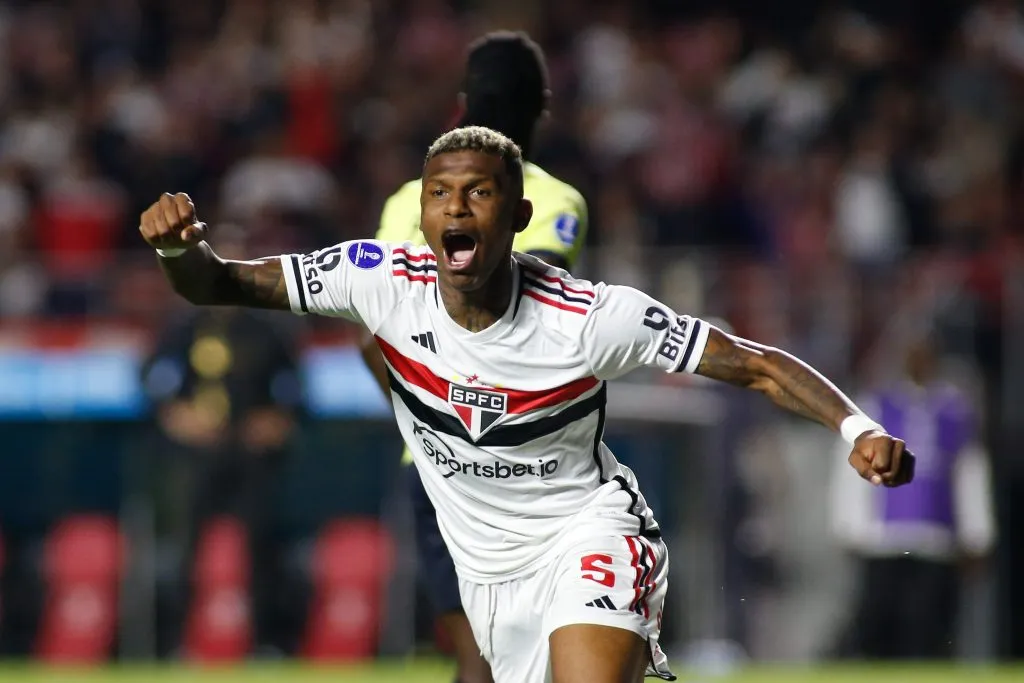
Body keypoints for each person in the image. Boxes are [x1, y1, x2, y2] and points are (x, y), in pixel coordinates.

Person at [138, 126, 914, 683]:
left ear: (516, 216)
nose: (456, 208)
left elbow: (752, 363)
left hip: (589, 535)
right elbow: (223, 283)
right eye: (440, 194)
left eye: (479, 193)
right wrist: (181, 249)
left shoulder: (589, 316)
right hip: (488, 576)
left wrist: (857, 425)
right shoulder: (381, 280)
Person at [365, 30, 587, 683]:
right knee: (525, 655)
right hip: (519, 462)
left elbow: (368, 332)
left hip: (430, 463)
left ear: (462, 103)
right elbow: (534, 313)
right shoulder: (549, 199)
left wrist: (424, 418)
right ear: (542, 108)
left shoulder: (411, 200)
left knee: (480, 657)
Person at [142, 228, 302, 657]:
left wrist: (277, 419)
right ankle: (176, 644)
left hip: (251, 453)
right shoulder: (185, 324)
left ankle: (268, 643)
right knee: (185, 549)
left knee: (262, 548)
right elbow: (150, 380)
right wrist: (174, 415)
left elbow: (297, 388)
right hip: (196, 454)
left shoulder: (267, 326)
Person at [831, 331, 994, 660]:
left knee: (928, 628)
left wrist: (977, 535)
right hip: (883, 539)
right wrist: (847, 524)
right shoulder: (877, 405)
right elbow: (851, 464)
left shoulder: (954, 412)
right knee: (878, 625)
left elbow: (969, 474)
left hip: (936, 540)